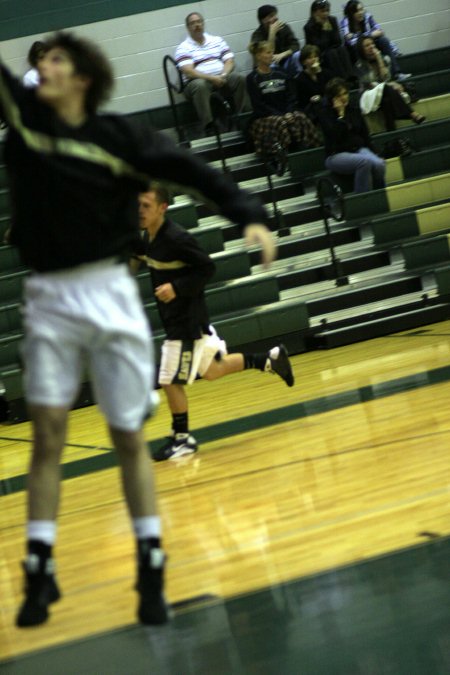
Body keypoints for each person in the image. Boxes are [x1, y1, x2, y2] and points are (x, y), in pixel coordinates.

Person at [0, 31, 274, 629]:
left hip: (108, 293)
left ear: (84, 79)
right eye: (38, 62)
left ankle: (152, 563)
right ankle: (40, 567)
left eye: (54, 61)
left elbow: (187, 167)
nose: (40, 69)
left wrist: (248, 211)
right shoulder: (24, 128)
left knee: (128, 436)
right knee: (48, 434)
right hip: (49, 294)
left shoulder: (122, 137)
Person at [133, 184, 295, 461]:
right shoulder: (147, 238)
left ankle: (182, 439)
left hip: (186, 321)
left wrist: (177, 288)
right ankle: (270, 359)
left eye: (146, 206)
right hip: (177, 319)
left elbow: (207, 267)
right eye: (138, 205)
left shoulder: (176, 238)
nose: (140, 211)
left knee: (170, 380)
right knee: (212, 370)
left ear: (163, 208)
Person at [246, 41, 321, 175]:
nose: (271, 55)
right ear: (258, 56)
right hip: (265, 116)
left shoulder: (280, 72)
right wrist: (281, 115)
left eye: (271, 52)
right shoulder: (252, 78)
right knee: (281, 122)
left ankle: (310, 152)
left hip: (285, 112)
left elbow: (291, 95)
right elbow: (258, 104)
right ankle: (283, 159)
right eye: (268, 52)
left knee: (300, 117)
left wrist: (290, 111)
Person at [175, 12, 250, 136]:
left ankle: (244, 118)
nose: (197, 25)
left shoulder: (216, 40)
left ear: (203, 23)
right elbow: (188, 72)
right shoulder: (183, 47)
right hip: (196, 82)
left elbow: (229, 61)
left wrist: (223, 75)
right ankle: (209, 126)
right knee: (200, 85)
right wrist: (212, 78)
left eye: (199, 21)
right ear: (188, 27)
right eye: (193, 23)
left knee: (240, 78)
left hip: (221, 76)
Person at [317, 77, 386, 193]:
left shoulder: (353, 110)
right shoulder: (325, 114)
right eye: (339, 96)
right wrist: (340, 115)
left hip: (358, 149)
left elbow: (365, 135)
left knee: (379, 164)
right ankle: (362, 198)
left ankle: (379, 195)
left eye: (345, 93)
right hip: (335, 154)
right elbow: (335, 136)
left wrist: (376, 153)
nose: (344, 98)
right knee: (364, 163)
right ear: (331, 98)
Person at [356, 36, 425, 131]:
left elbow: (386, 78)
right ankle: (411, 114)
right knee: (386, 88)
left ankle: (392, 134)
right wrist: (389, 85)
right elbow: (370, 84)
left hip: (385, 94)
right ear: (361, 49)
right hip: (369, 95)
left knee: (386, 101)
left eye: (372, 44)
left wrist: (379, 59)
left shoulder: (385, 59)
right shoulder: (360, 65)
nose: (371, 47)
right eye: (367, 45)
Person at [340, 1, 410, 82]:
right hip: (356, 49)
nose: (360, 13)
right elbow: (350, 42)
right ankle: (365, 78)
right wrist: (368, 36)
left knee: (383, 40)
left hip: (370, 43)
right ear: (351, 13)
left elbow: (380, 31)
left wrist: (361, 36)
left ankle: (396, 74)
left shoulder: (367, 17)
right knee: (356, 47)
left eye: (361, 9)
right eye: (357, 11)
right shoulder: (345, 22)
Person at [303, 0, 356, 82]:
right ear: (314, 13)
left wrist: (326, 29)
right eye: (322, 11)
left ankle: (351, 78)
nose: (326, 14)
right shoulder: (309, 27)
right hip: (319, 54)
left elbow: (338, 41)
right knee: (331, 53)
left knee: (342, 49)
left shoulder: (332, 20)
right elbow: (319, 47)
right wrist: (323, 28)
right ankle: (341, 81)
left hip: (334, 49)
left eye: (327, 11)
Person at [250, 5, 301, 77]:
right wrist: (272, 34)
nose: (276, 18)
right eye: (271, 16)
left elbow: (296, 45)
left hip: (285, 60)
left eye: (275, 15)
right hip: (267, 64)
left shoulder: (283, 27)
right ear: (263, 20)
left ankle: (300, 81)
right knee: (271, 64)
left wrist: (283, 54)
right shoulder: (257, 35)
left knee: (298, 55)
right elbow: (265, 55)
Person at [295, 44, 333, 118]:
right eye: (309, 58)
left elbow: (329, 92)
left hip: (329, 105)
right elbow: (301, 102)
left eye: (315, 56)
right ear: (303, 62)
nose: (314, 60)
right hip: (312, 110)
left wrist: (319, 73)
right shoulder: (300, 79)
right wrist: (310, 100)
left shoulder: (327, 73)